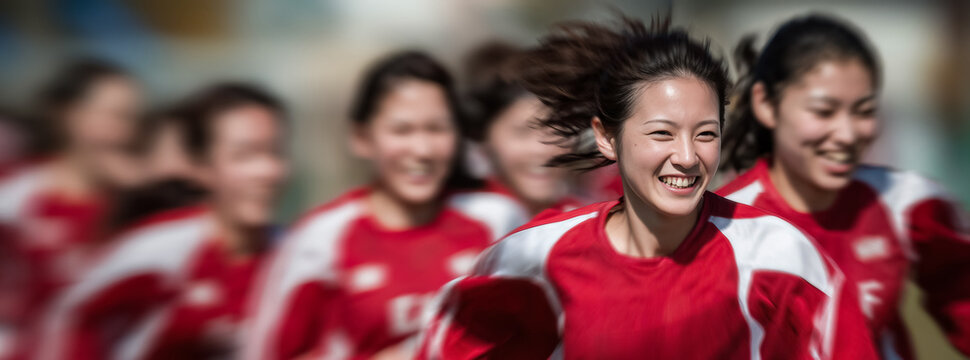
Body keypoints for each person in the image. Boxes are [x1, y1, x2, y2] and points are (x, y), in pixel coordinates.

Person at [416, 16, 877, 359]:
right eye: (661, 133)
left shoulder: (779, 255)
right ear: (606, 136)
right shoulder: (533, 257)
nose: (687, 156)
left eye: (706, 133)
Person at [242, 51, 528, 360]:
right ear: (361, 138)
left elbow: (533, 334)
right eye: (402, 130)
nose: (422, 150)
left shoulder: (497, 219)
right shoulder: (320, 238)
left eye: (436, 129)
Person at [716, 14, 970, 359]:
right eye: (824, 111)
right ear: (766, 104)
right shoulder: (719, 226)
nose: (848, 134)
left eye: (863, 111)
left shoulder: (905, 202)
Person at [39, 83, 290, 359]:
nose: (267, 172)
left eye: (275, 153)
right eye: (245, 156)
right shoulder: (159, 249)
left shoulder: (296, 255)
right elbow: (69, 314)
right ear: (201, 167)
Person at [0, 58, 141, 359]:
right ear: (70, 116)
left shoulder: (140, 207)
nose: (123, 132)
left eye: (131, 118)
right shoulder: (16, 197)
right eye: (113, 116)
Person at [462, 41, 580, 216]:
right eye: (522, 132)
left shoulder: (588, 221)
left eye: (558, 130)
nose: (542, 149)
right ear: (484, 137)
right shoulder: (466, 220)